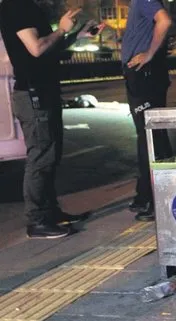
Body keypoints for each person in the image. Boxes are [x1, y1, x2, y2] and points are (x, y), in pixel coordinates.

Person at [0, 0, 100, 238]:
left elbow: (48, 50)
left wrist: (76, 35)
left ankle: (51, 213)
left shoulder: (28, 7)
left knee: (51, 155)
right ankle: (37, 220)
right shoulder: (16, 7)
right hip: (33, 94)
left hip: (45, 91)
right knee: (41, 156)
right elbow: (35, 48)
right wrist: (62, 28)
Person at [122, 0, 173, 221]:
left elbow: (165, 20)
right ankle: (146, 194)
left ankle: (156, 200)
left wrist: (149, 53)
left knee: (151, 137)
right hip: (141, 75)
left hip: (145, 75)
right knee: (149, 135)